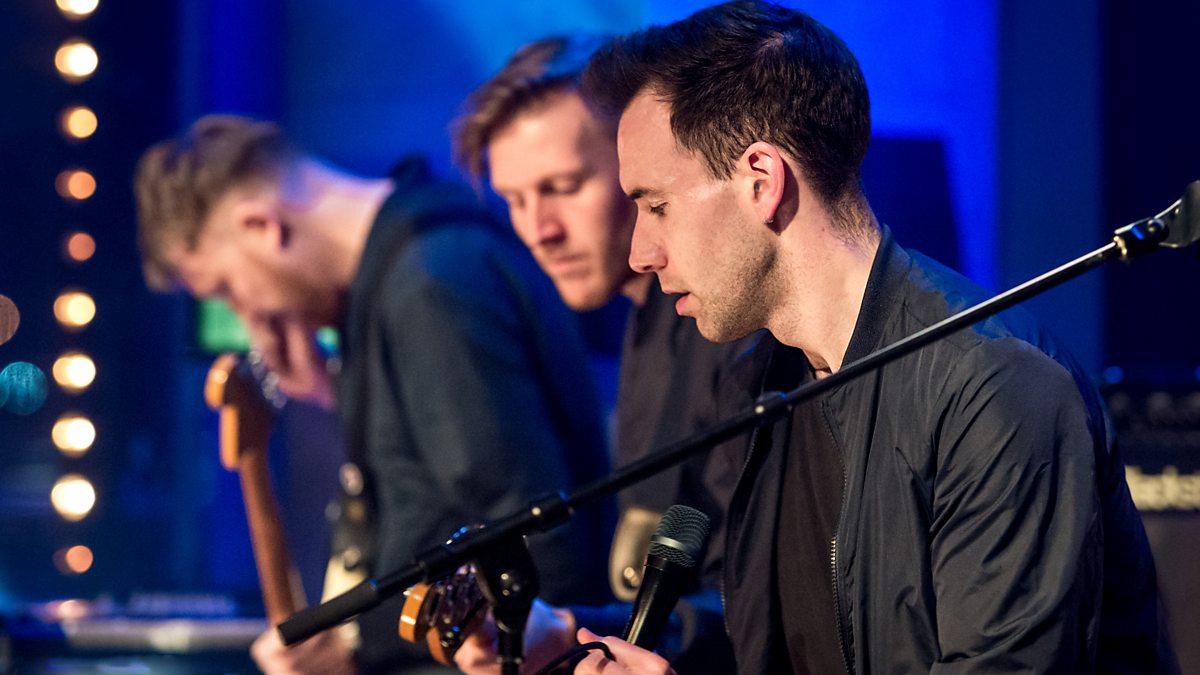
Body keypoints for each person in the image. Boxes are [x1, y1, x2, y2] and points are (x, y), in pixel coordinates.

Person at [573, 1, 1177, 673]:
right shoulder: (760, 381)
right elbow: (781, 639)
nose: (640, 252)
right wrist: (573, 637)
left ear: (762, 182)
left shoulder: (997, 387)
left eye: (657, 206)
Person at [132, 115, 614, 674]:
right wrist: (336, 396)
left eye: (228, 290)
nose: (250, 317)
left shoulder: (430, 285)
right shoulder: (405, 278)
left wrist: (357, 641)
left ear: (262, 226)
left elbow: (531, 544)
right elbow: (438, 493)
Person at [449, 36, 749, 674]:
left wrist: (573, 632)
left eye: (562, 186)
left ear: (637, 162)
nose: (539, 230)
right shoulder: (642, 320)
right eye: (514, 200)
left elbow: (762, 598)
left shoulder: (727, 324)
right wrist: (566, 632)